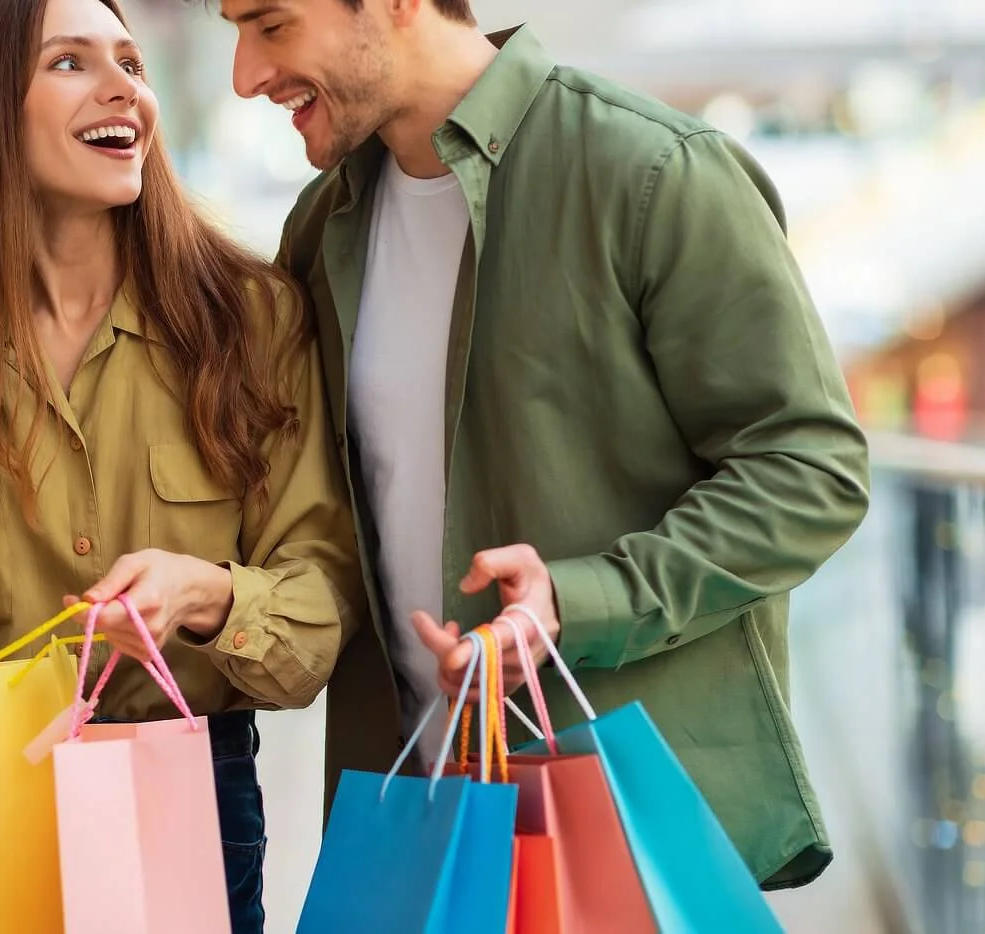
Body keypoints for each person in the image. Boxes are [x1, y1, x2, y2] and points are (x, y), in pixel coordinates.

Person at [219, 0, 871, 890]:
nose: (245, 74)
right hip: (418, 827)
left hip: (623, 839)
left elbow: (810, 471)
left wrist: (579, 598)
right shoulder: (320, 225)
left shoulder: (652, 173)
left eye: (272, 25)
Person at [0, 0, 363, 927]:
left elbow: (317, 615)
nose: (125, 86)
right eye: (71, 63)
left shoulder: (249, 321)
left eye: (130, 60)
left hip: (182, 784)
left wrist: (200, 596)